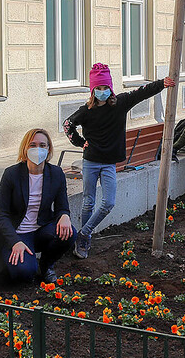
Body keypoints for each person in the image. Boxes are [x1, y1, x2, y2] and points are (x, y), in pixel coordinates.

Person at [63, 63, 175, 258]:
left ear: (111, 88)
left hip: (108, 163)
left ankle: (83, 233)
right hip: (90, 161)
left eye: (105, 88)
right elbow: (67, 125)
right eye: (98, 88)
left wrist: (162, 84)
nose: (102, 91)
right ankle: (84, 242)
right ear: (92, 90)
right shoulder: (86, 111)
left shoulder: (121, 103)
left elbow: (141, 93)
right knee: (88, 202)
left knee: (108, 202)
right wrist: (81, 143)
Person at [0, 129, 75, 283]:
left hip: (41, 230)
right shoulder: (11, 174)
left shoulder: (56, 173)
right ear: (25, 149)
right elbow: (1, 213)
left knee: (70, 233)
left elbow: (62, 206)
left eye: (42, 145)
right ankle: (30, 264)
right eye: (32, 145)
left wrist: (65, 216)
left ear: (49, 149)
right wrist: (15, 241)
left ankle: (46, 266)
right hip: (18, 234)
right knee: (23, 274)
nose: (37, 149)